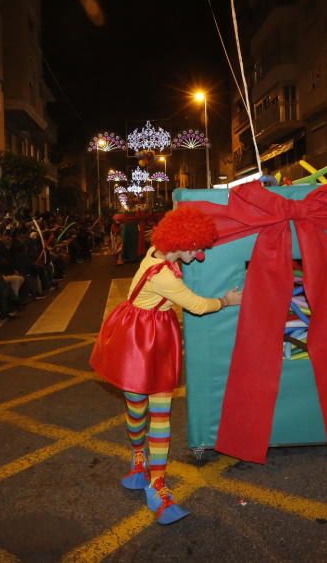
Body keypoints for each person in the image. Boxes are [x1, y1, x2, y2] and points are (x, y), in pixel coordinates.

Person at [90, 206, 243, 524]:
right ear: (182, 241)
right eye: (198, 247)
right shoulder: (162, 275)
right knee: (136, 408)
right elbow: (198, 306)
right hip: (140, 339)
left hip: (145, 332)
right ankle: (137, 457)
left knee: (157, 413)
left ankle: (155, 481)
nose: (200, 254)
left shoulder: (157, 253)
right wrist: (226, 301)